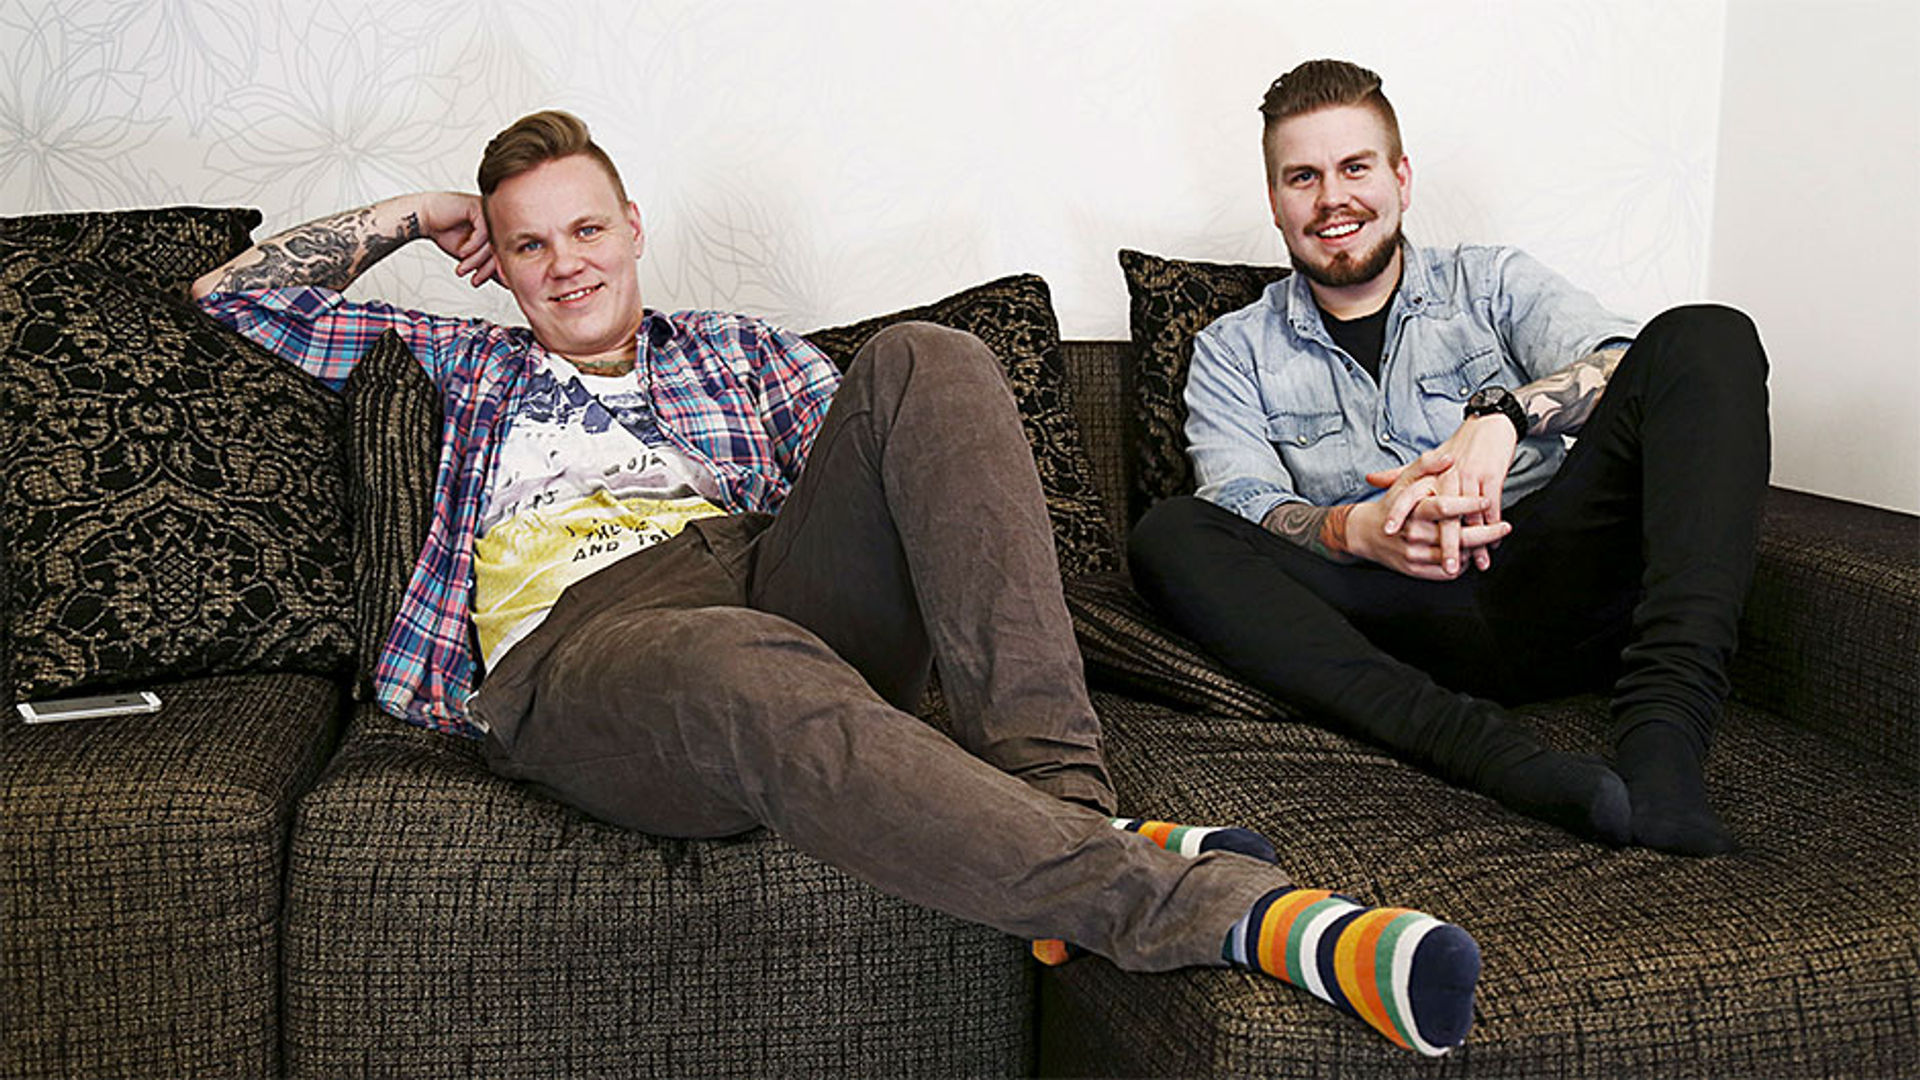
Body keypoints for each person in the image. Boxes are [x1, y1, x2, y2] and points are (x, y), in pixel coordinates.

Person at [190, 109, 1484, 1055]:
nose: (566, 263)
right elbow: (233, 299)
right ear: (503, 267)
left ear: (634, 230)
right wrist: (423, 214)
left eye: (586, 228)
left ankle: (1063, 806)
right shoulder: (468, 364)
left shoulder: (741, 353)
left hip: (760, 578)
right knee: (735, 661)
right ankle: (1214, 910)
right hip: (587, 649)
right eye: (530, 246)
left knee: (930, 359)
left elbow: (907, 484)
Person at [1130, 60, 1770, 857]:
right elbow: (1240, 499)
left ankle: (1665, 739)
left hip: (1552, 574)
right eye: (1303, 177)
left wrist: (1504, 417)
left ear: (1400, 178)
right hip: (1396, 626)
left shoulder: (1490, 283)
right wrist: (1354, 531)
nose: (1332, 199)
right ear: (1275, 200)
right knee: (1168, 532)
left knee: (1709, 335)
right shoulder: (1233, 349)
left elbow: (1632, 363)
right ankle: (1491, 757)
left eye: (1355, 168)